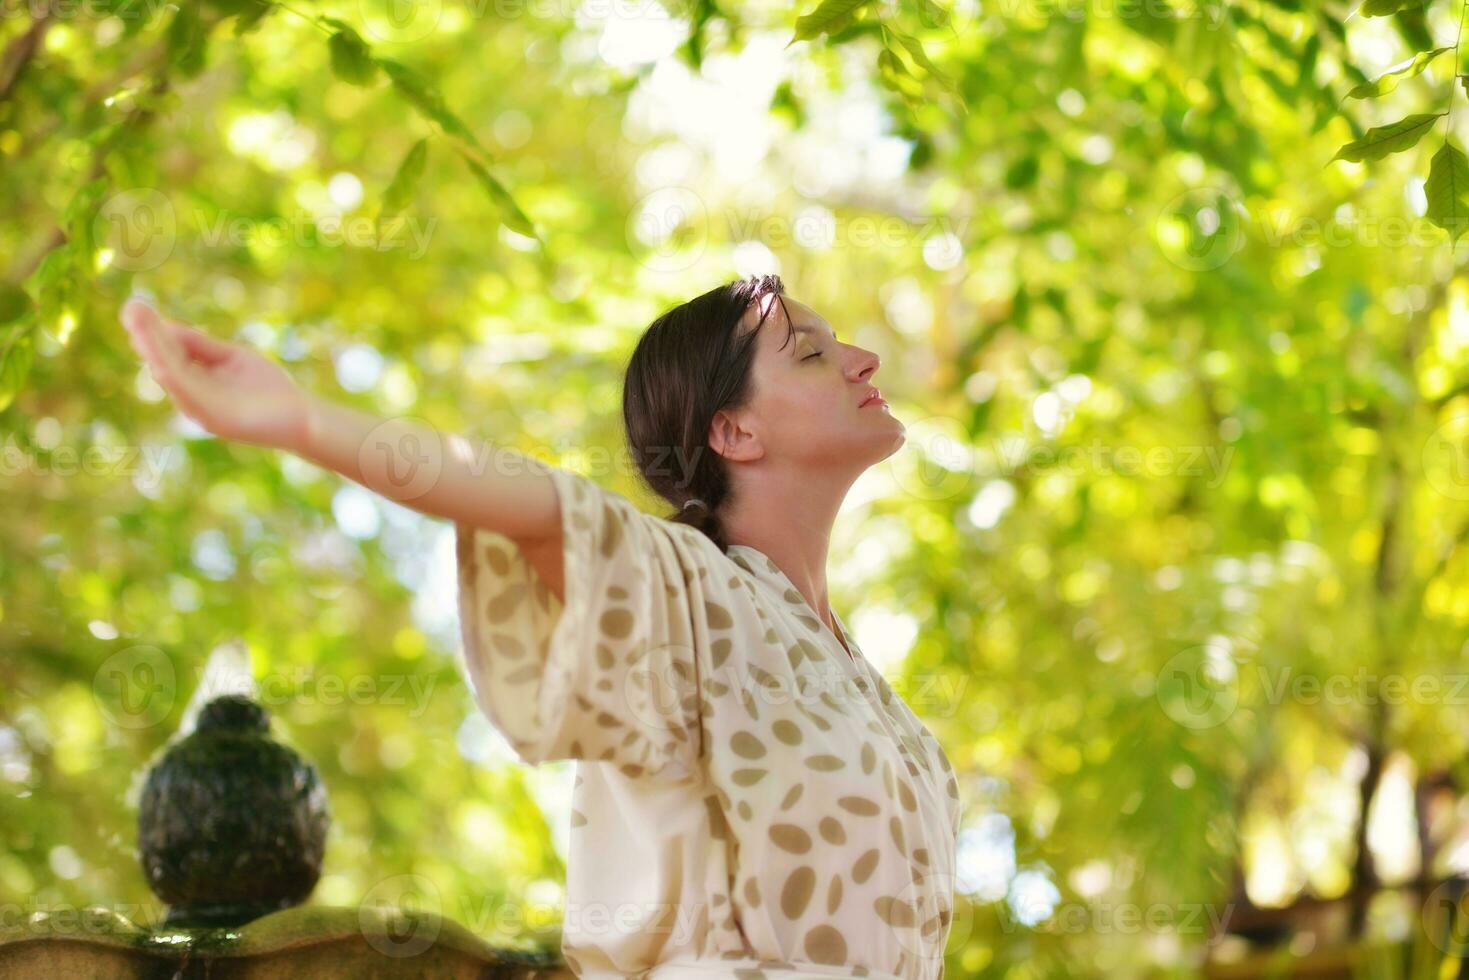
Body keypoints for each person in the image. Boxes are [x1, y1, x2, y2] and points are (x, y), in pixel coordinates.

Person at [119, 273, 962, 979]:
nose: (863, 359)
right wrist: (303, 421)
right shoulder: (691, 593)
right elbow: (539, 511)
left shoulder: (871, 694)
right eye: (813, 353)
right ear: (732, 431)